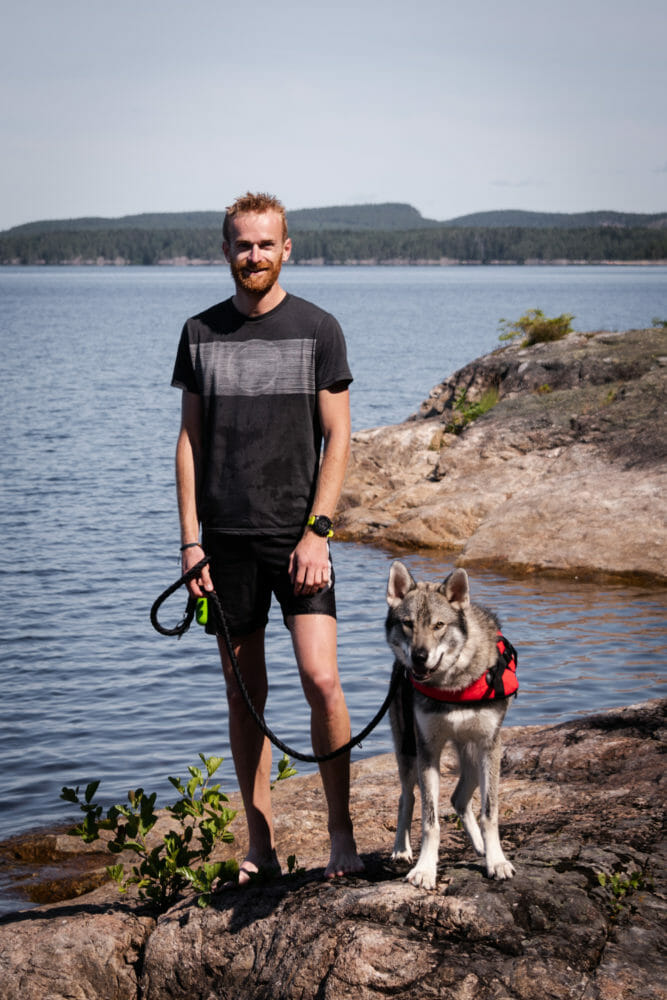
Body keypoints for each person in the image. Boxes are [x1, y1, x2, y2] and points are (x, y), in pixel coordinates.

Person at [171, 191, 364, 882]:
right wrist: (191, 542)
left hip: (296, 540)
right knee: (243, 693)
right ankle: (259, 844)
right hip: (224, 545)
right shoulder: (199, 332)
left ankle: (341, 837)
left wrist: (318, 532)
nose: (253, 255)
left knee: (321, 678)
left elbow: (338, 436)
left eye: (265, 244)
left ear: (287, 250)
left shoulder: (318, 328)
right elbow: (190, 440)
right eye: (241, 244)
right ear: (225, 250)